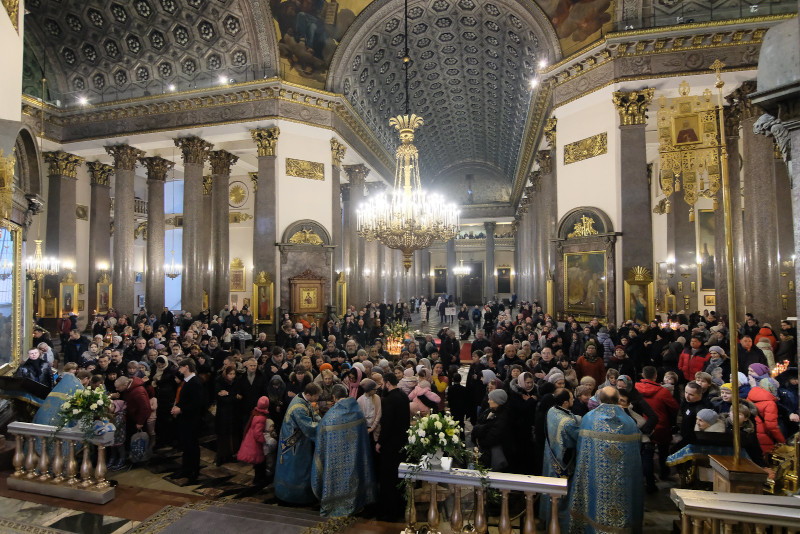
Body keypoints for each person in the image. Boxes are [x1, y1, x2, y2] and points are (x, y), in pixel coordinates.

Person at [568, 387, 643, 533]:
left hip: (597, 479)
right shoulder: (629, 423)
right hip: (622, 481)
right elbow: (636, 450)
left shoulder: (589, 419)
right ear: (618, 399)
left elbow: (581, 448)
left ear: (600, 400)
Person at [312, 383, 377, 516]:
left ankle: (335, 505)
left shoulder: (330, 416)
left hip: (335, 459)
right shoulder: (357, 410)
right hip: (355, 457)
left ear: (334, 397)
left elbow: (321, 436)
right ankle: (357, 503)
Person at [275, 382, 321, 505]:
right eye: (316, 396)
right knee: (296, 468)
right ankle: (294, 496)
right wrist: (324, 427)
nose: (318, 398)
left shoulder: (302, 398)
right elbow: (308, 426)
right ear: (309, 395)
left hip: (299, 440)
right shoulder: (299, 407)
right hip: (294, 444)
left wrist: (322, 421)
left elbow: (312, 414)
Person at [541, 388, 580, 530]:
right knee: (561, 496)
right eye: (571, 398)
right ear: (565, 403)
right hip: (563, 461)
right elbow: (577, 438)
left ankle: (546, 517)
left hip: (551, 456)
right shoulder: (567, 422)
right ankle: (559, 526)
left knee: (549, 488)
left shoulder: (552, 410)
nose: (573, 400)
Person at [377, 372, 410, 522]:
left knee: (389, 479)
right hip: (402, 442)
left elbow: (387, 425)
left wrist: (380, 442)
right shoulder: (403, 395)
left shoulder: (389, 400)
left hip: (390, 445)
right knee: (399, 478)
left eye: (383, 383)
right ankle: (400, 508)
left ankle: (390, 512)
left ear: (387, 383)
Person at [171, 359, 206, 484]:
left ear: (186, 367)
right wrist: (177, 406)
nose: (179, 369)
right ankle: (186, 469)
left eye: (180, 367)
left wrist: (181, 409)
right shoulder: (187, 381)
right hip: (185, 419)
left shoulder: (195, 382)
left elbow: (197, 403)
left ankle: (193, 471)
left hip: (192, 420)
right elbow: (185, 399)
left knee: (192, 446)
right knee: (186, 446)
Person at [237, 396, 271, 486]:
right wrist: (264, 440)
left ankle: (258, 478)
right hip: (256, 444)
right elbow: (257, 433)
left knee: (258, 463)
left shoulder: (255, 413)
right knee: (260, 462)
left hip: (250, 439)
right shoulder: (261, 418)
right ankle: (259, 480)